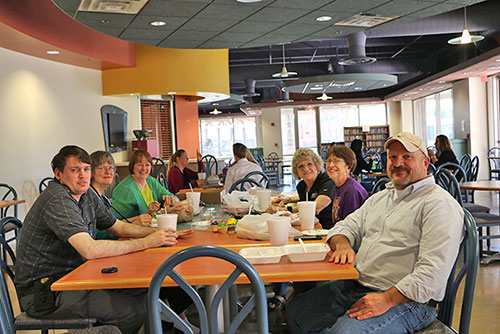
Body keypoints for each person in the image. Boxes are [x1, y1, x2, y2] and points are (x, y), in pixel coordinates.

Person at [286, 132, 464, 334]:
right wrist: (343, 244)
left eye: (407, 157)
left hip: (408, 301)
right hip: (358, 286)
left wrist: (387, 299)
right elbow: (344, 227)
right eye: (392, 157)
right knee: (295, 311)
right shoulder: (381, 198)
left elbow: (432, 274)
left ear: (425, 162)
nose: (398, 163)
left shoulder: (439, 204)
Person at [14, 146, 183, 334]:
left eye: (86, 169)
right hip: (45, 292)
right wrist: (147, 242)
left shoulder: (86, 195)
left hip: (77, 277)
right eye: (75, 170)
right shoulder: (57, 199)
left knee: (147, 291)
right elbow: (90, 250)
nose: (83, 176)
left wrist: (157, 233)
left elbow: (117, 226)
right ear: (58, 174)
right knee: (133, 311)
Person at [267, 148, 335, 310]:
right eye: (300, 166)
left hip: (326, 232)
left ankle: (298, 294)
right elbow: (305, 197)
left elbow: (316, 206)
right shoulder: (301, 186)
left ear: (317, 165)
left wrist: (287, 209)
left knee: (285, 245)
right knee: (280, 243)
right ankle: (284, 291)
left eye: (309, 164)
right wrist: (288, 199)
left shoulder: (327, 181)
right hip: (308, 230)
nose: (306, 169)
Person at [89, 151, 152, 239]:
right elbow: (96, 235)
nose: (108, 172)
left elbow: (112, 224)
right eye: (102, 168)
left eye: (111, 168)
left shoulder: (102, 197)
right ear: (91, 171)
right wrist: (133, 225)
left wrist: (137, 219)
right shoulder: (88, 198)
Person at [112, 149, 180, 220]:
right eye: (139, 165)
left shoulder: (150, 181)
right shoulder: (124, 189)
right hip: (135, 229)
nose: (144, 169)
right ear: (132, 166)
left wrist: (172, 200)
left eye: (147, 165)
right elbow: (116, 222)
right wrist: (147, 213)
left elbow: (175, 198)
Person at [324, 146, 368, 225]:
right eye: (328, 161)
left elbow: (351, 226)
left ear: (348, 167)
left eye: (336, 161)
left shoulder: (352, 191)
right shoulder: (339, 187)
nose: (330, 165)